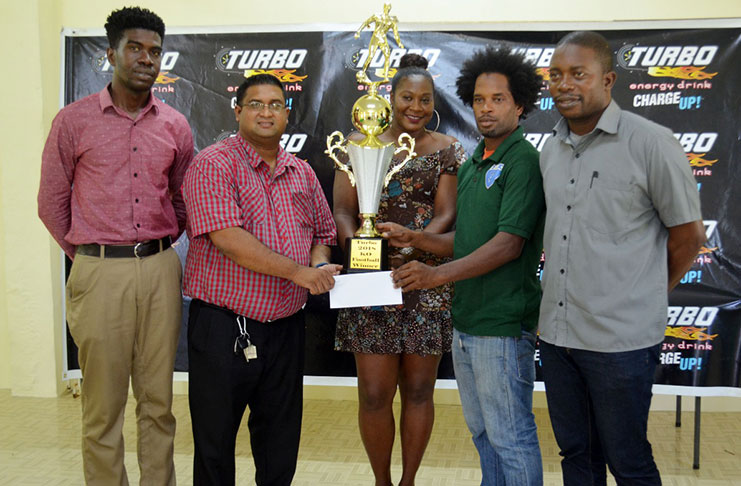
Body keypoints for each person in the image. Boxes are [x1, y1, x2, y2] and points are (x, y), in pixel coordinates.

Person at [538, 31, 706, 485]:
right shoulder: (549, 149)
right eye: (555, 75)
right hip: (557, 337)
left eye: (578, 74)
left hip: (622, 344)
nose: (564, 84)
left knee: (628, 461)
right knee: (576, 455)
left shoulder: (652, 143)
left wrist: (642, 293)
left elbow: (688, 236)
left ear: (608, 79)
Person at [37, 7, 193, 485]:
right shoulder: (73, 122)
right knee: (102, 411)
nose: (146, 59)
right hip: (98, 272)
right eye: (135, 48)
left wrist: (156, 249)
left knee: (158, 406)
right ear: (110, 54)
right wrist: (91, 257)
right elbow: (51, 204)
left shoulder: (175, 125)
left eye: (154, 52)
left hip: (161, 269)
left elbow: (184, 201)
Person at [385, 48, 545, 485]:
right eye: (479, 99)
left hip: (503, 324)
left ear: (520, 105)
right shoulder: (475, 161)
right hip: (467, 320)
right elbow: (467, 240)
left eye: (498, 99)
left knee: (510, 437)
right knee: (483, 435)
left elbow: (507, 245)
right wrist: (417, 240)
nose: (486, 108)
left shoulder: (523, 162)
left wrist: (435, 274)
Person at [183, 73, 340, 486]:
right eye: (256, 104)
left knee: (279, 444)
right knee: (215, 445)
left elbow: (323, 235)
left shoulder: (302, 173)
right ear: (237, 111)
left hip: (286, 331)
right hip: (224, 328)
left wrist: (320, 265)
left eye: (275, 104)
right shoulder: (213, 164)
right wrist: (299, 272)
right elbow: (229, 239)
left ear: (287, 114)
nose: (266, 112)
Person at [334, 53, 465, 486]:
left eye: (425, 99)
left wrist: (415, 241)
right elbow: (343, 210)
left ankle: (408, 481)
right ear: (390, 98)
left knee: (419, 390)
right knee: (373, 393)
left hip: (426, 280)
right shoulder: (361, 143)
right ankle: (382, 482)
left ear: (433, 103)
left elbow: (447, 213)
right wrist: (361, 248)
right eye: (407, 97)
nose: (416, 107)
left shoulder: (447, 150)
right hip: (371, 281)